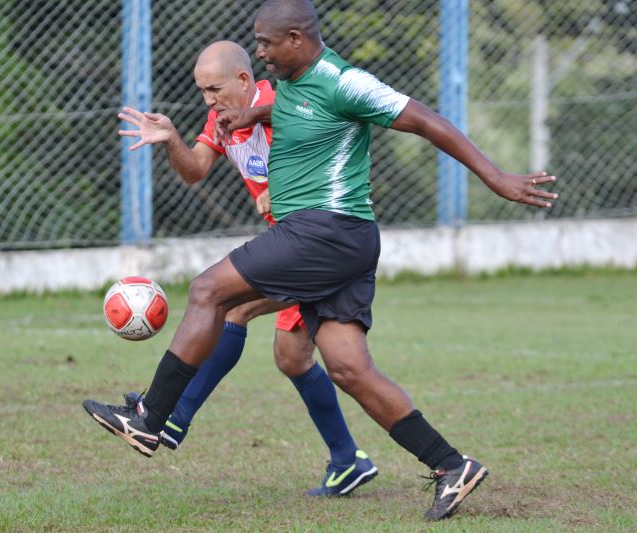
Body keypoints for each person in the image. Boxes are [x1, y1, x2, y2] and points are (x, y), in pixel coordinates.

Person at [83, 0, 559, 521]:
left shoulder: (343, 80)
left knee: (208, 292)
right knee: (348, 367)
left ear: (295, 38)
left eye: (265, 43)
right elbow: (286, 110)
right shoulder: (289, 83)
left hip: (324, 230)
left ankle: (153, 417)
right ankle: (451, 466)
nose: (260, 53)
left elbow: (426, 120)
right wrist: (251, 114)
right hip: (337, 240)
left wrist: (495, 177)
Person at [99, 40, 377, 497]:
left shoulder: (279, 101)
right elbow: (193, 171)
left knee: (232, 308)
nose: (208, 99)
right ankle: (348, 460)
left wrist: (277, 187)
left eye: (214, 88)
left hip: (315, 245)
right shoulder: (220, 120)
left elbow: (312, 130)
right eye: (201, 90)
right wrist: (170, 139)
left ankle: (172, 418)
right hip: (291, 249)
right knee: (292, 357)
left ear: (245, 80)